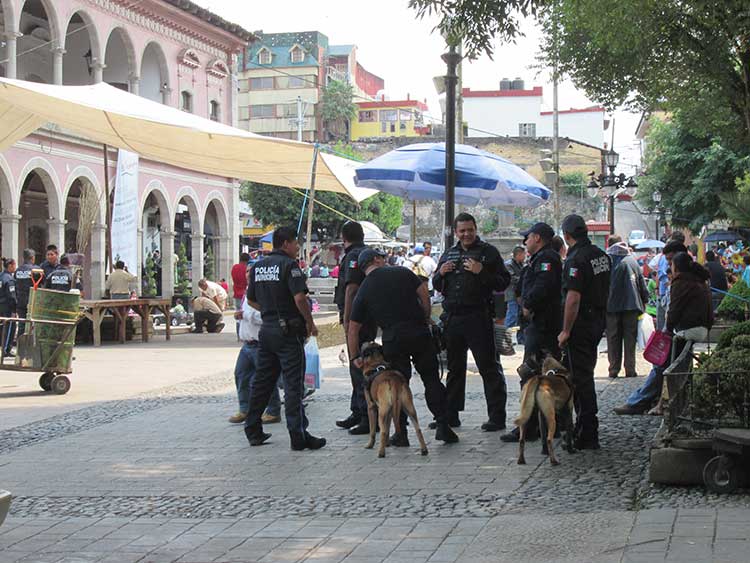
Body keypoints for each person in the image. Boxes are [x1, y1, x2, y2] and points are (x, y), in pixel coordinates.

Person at [348, 248, 459, 445]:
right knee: (431, 379)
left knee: (399, 386)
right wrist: (425, 317)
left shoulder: (364, 289)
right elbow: (424, 292)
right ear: (377, 260)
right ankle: (443, 425)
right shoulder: (402, 272)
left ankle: (401, 434)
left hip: (393, 339)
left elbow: (353, 328)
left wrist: (355, 356)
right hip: (419, 333)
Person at [243, 227, 324, 451]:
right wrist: (310, 323)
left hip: (267, 331)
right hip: (289, 333)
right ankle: (298, 435)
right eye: (296, 243)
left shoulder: (258, 266)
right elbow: (299, 298)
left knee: (262, 382)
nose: (298, 247)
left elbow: (251, 301)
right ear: (286, 243)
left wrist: (270, 311)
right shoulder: (289, 266)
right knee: (293, 385)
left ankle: (253, 430)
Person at [433, 212, 510, 431]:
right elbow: (437, 284)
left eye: (470, 230)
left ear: (476, 229)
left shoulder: (488, 253)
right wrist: (440, 273)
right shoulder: (450, 253)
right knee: (455, 369)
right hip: (453, 318)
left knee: (489, 368)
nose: (466, 234)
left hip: (478, 317)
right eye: (462, 231)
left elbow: (503, 282)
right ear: (456, 232)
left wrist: (481, 271)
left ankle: (497, 416)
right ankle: (451, 414)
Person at [501, 223, 561, 443]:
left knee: (531, 376)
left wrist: (528, 303)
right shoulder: (539, 259)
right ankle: (539, 425)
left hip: (543, 325)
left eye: (527, 238)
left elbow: (543, 287)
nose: (525, 242)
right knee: (536, 376)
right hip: (539, 325)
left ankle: (530, 426)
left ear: (537, 237)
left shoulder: (547, 259)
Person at [557, 215, 611, 450]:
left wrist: (566, 331)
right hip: (598, 319)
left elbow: (573, 298)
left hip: (581, 323)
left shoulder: (575, 259)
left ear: (567, 236)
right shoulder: (601, 255)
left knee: (581, 378)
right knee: (585, 372)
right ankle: (586, 426)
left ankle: (588, 430)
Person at [333, 221, 376, 435]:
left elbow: (351, 289)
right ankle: (358, 411)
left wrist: (348, 320)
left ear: (344, 237)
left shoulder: (352, 256)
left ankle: (367, 416)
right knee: (358, 365)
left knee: (358, 364)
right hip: (369, 316)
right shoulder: (366, 253)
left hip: (357, 319)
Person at [229, 293, 282, 425]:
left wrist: (245, 316)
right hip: (247, 344)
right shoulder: (247, 294)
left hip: (260, 343)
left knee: (266, 377)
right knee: (241, 375)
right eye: (246, 271)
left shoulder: (263, 292)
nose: (247, 274)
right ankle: (244, 409)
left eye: (250, 271)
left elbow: (266, 317)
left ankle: (273, 410)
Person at [606, 236, 648, 379]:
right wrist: (645, 301)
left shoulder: (607, 261)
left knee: (613, 338)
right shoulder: (632, 261)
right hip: (631, 305)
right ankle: (630, 369)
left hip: (611, 306)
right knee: (630, 338)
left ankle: (613, 369)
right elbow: (642, 285)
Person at [14, 249, 37, 337]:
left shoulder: (18, 270)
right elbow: (43, 282)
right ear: (32, 258)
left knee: (21, 324)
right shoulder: (36, 270)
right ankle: (31, 346)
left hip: (20, 301)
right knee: (33, 324)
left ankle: (20, 346)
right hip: (32, 301)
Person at [503, 246, 526, 335]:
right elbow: (511, 278)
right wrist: (524, 279)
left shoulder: (521, 264)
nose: (525, 256)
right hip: (512, 294)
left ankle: (520, 338)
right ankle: (505, 336)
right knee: (512, 315)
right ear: (519, 254)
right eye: (524, 254)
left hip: (520, 294)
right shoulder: (508, 264)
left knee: (519, 317)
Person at [0, 258, 17, 356]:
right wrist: (14, 310)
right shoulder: (9, 279)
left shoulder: (0, 276)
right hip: (7, 307)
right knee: (9, 327)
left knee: (2, 328)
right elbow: (12, 297)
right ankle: (6, 350)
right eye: (14, 265)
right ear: (10, 266)